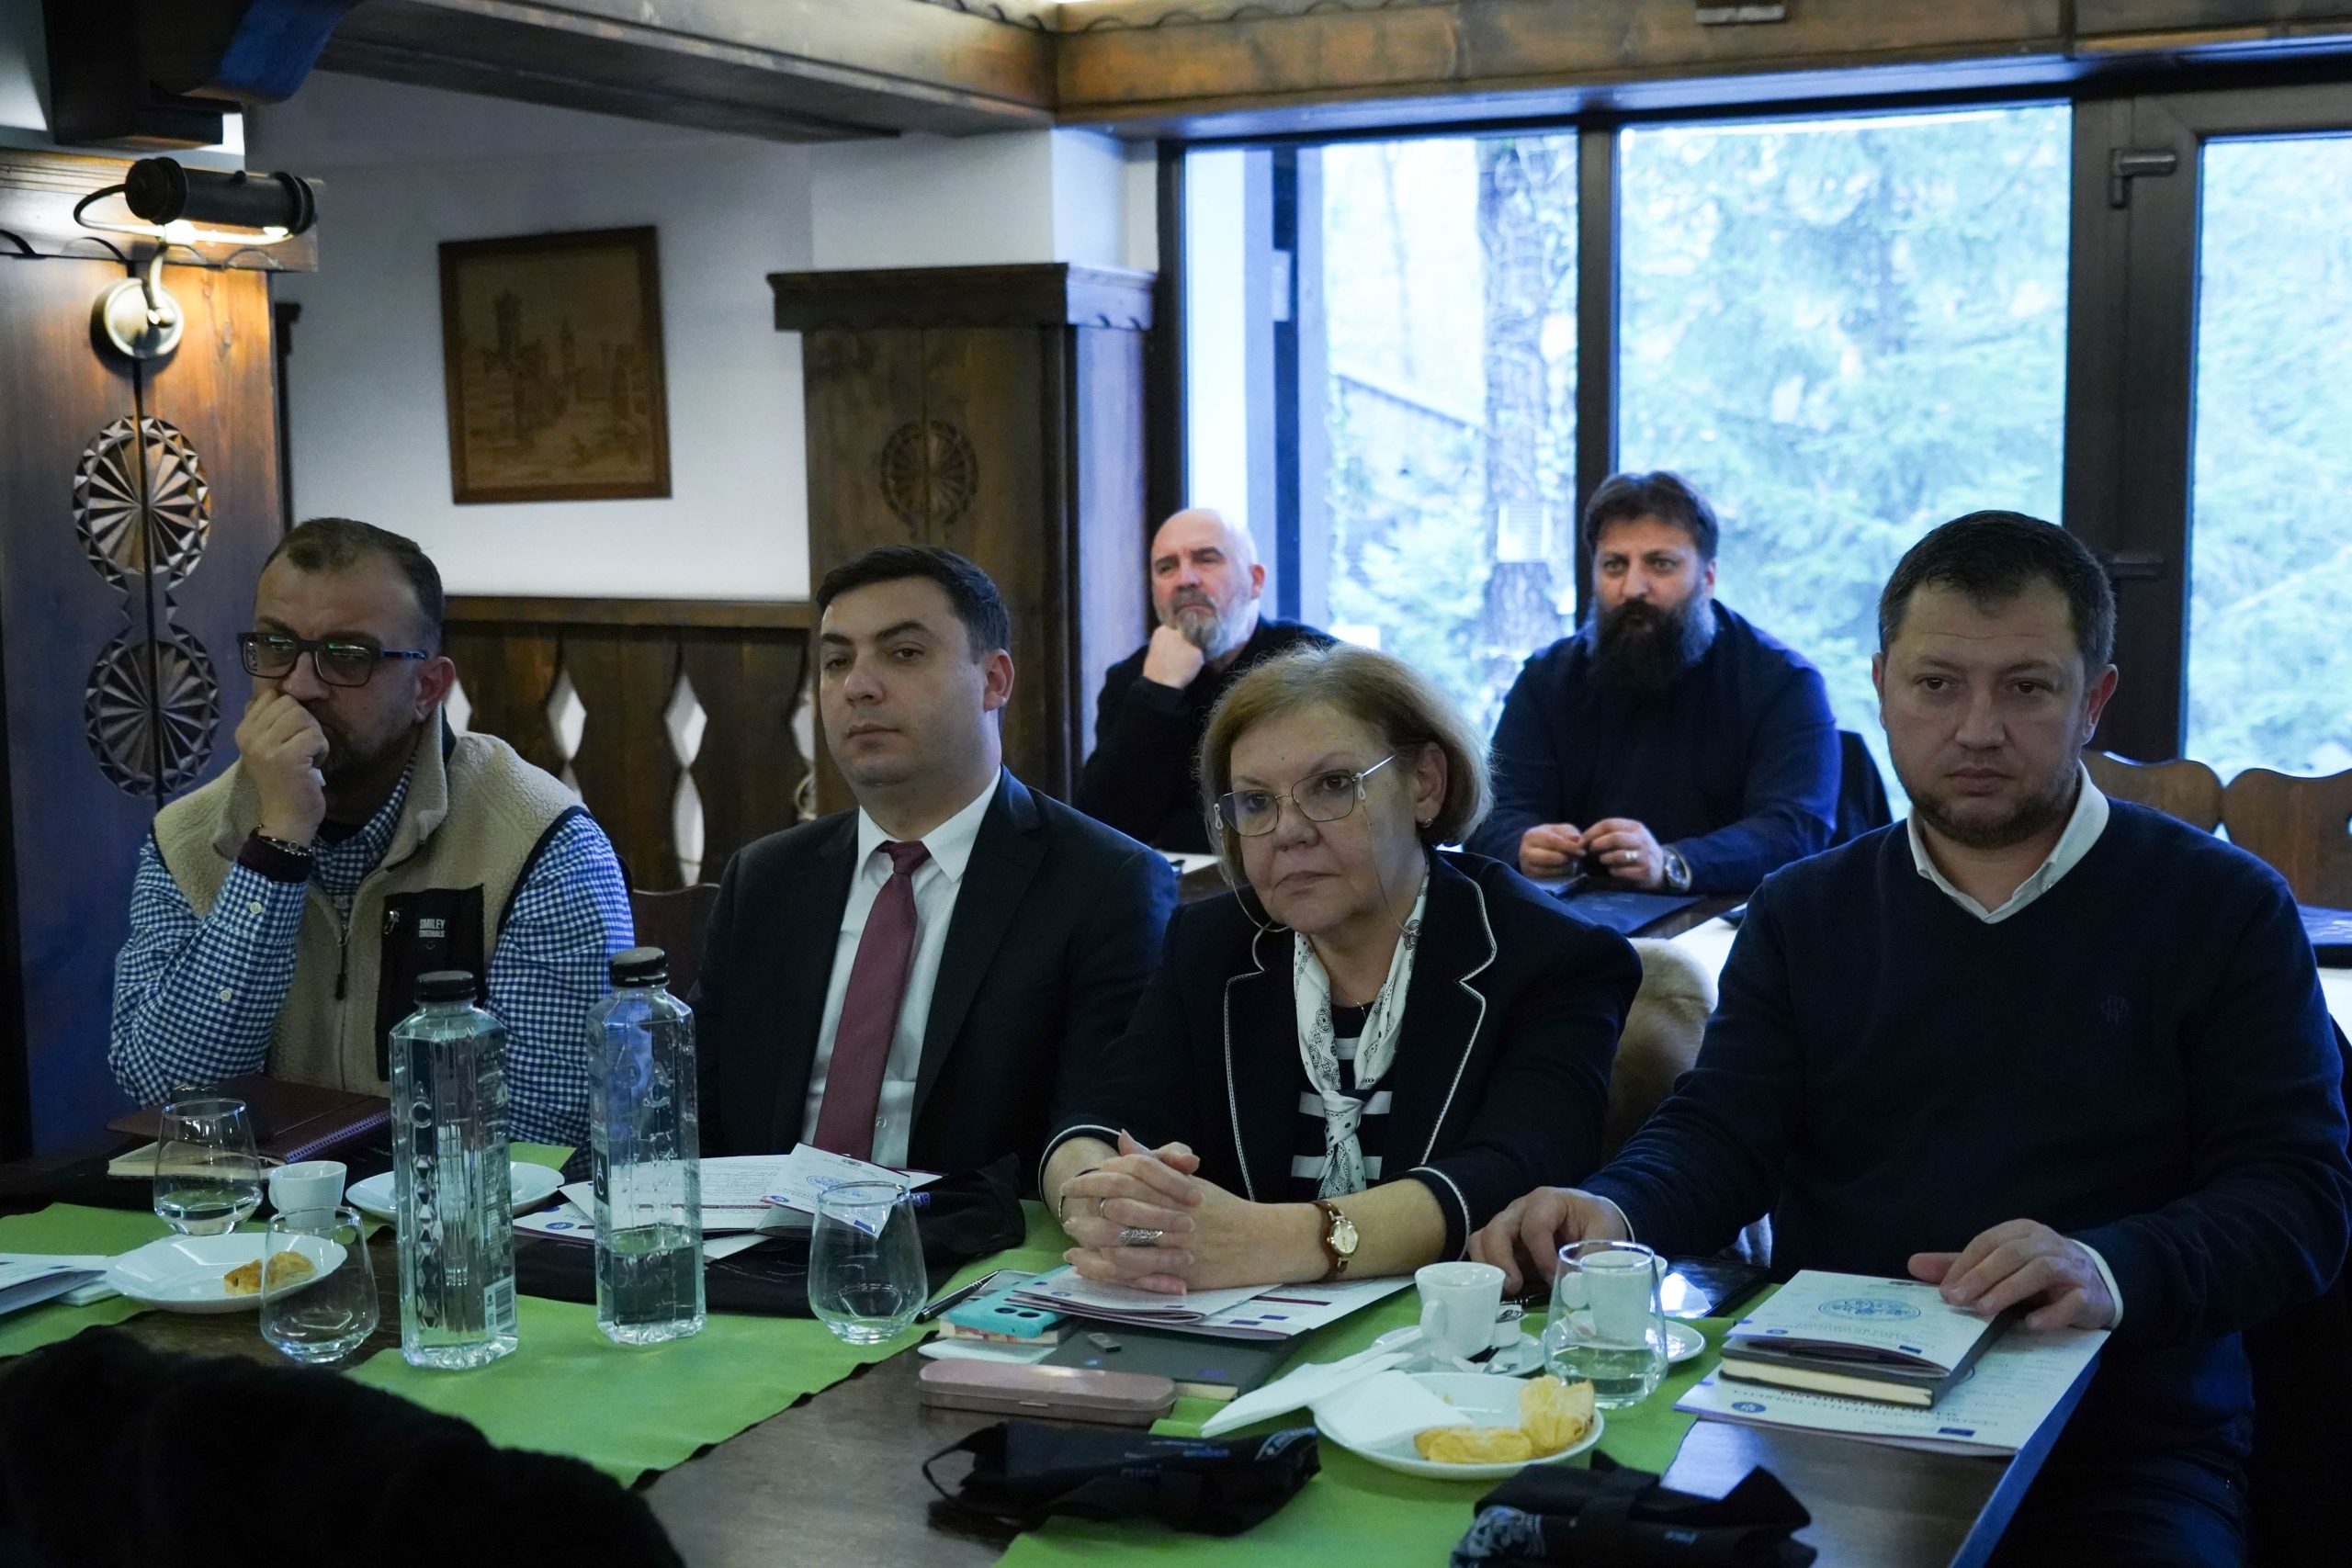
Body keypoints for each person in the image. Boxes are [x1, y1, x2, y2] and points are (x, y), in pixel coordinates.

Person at [1470, 513, 2352, 1566]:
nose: (1977, 729)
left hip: (2122, 1445)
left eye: (2026, 687)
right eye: (1937, 685)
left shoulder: (2222, 909)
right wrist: (1612, 1206)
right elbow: (1721, 1134)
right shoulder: (1805, 911)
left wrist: (2106, 1266)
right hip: (1829, 1418)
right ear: (1883, 686)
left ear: (2093, 699)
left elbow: (2297, 1198)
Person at [1044, 644, 1640, 1293]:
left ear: (1425, 783)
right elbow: (1101, 1121)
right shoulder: (1211, 945)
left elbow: (1513, 1173)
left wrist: (1270, 1241)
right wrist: (1111, 1211)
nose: (1288, 831)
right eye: (1256, 802)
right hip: (1238, 1321)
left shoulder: (1552, 955)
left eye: (1332, 785)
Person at [110, 517, 634, 1146]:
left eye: (346, 657)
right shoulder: (186, 838)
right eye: (276, 646)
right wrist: (277, 847)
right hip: (253, 1204)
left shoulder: (541, 841)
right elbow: (167, 1091)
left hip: (461, 1204)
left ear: (427, 688)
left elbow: (546, 1132)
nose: (299, 685)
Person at [694, 547, 1178, 1182]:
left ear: (994, 680)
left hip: (970, 1236)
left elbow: (1094, 1133)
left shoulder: (1104, 884)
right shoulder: (765, 879)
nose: (858, 686)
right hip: (753, 1232)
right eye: (837, 661)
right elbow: (689, 1112)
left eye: (903, 653)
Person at [1467, 472, 1838, 897]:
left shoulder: (1783, 682)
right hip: (1574, 917)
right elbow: (1492, 813)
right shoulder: (1546, 679)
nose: (1633, 588)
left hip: (1731, 917)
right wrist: (1521, 846)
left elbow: (1794, 828)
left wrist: (1672, 863)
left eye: (1660, 564)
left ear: (1708, 577)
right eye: (1614, 565)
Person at [1077, 507, 1331, 852]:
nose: (1185, 579)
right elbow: (1100, 826)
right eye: (1166, 567)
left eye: (1206, 560)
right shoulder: (1132, 680)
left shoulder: (1316, 663)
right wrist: (1158, 692)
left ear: (1255, 580)